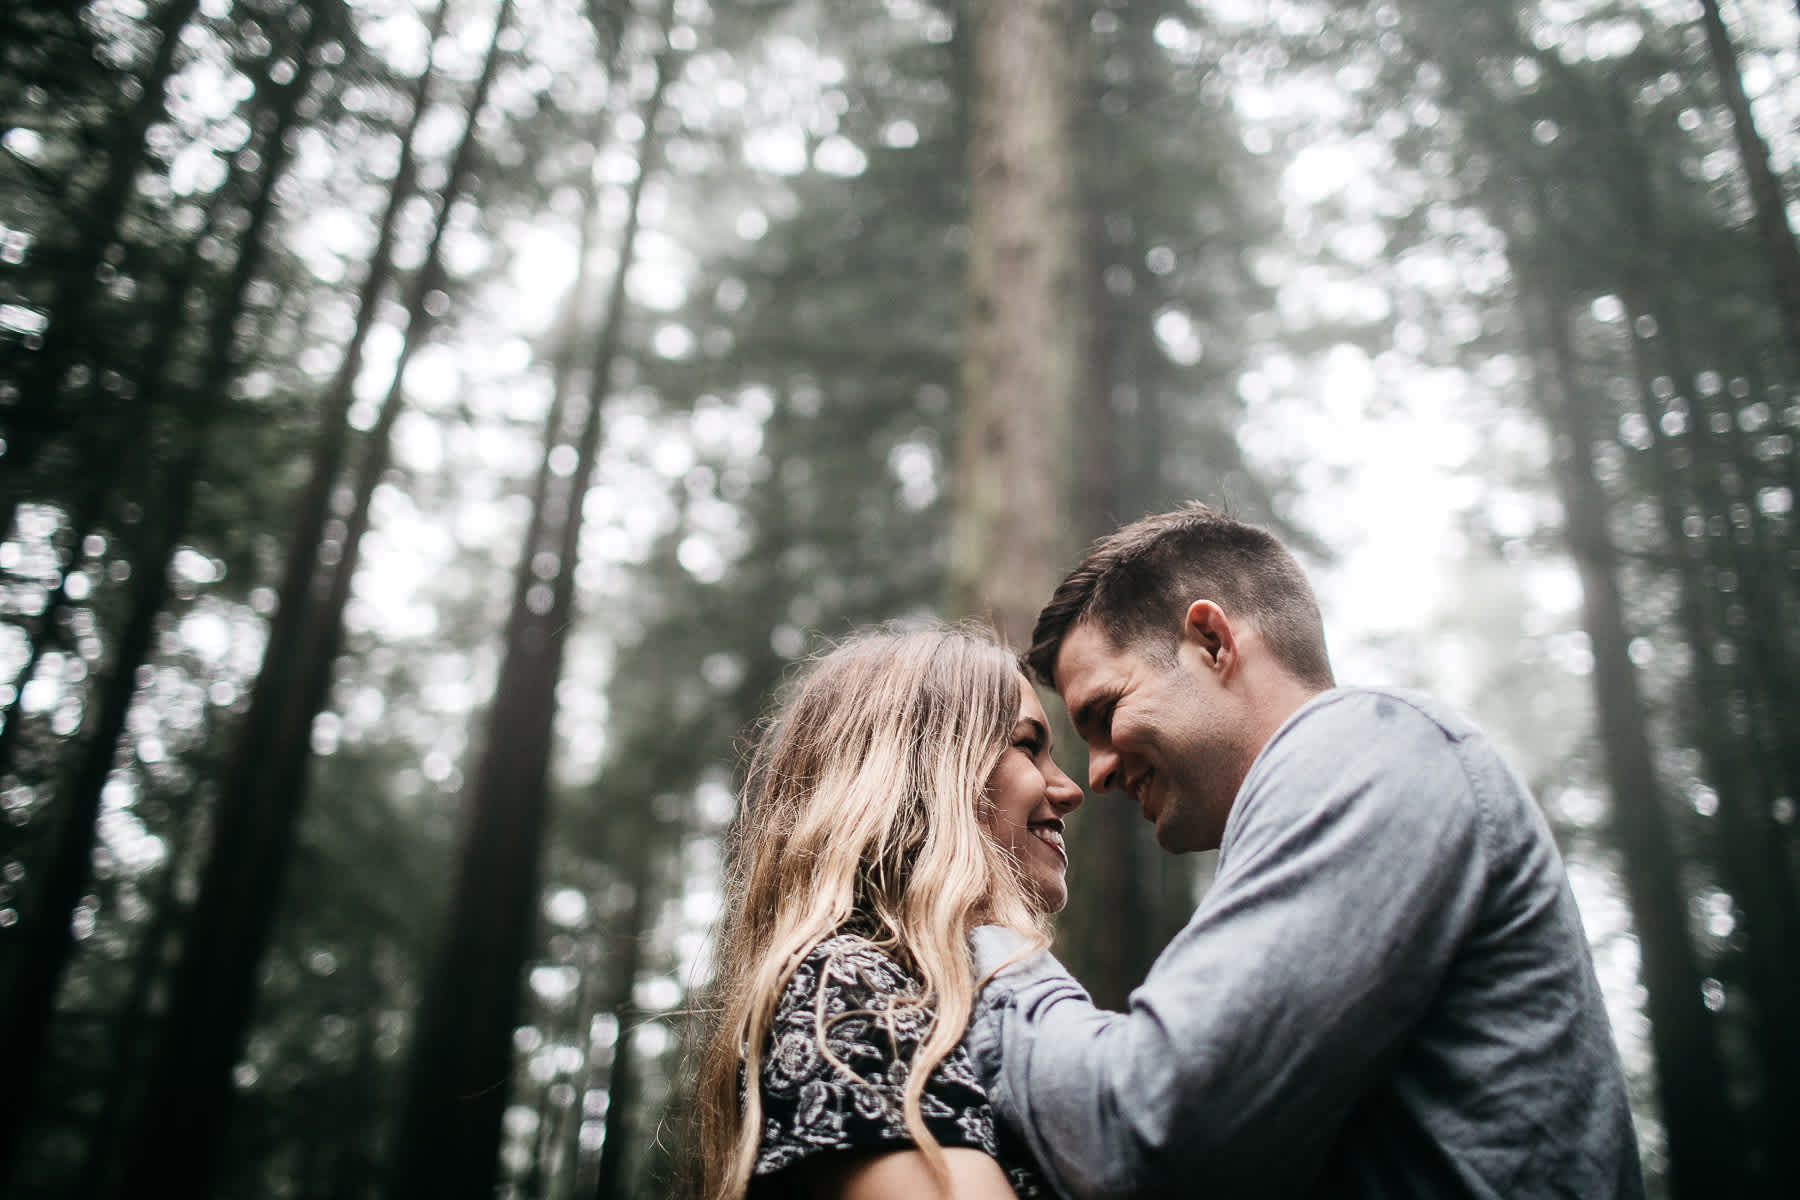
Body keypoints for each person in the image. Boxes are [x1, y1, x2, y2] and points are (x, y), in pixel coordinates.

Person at [965, 502, 1645, 1199]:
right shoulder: (1348, 786)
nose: (1098, 772)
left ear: (1211, 641)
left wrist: (990, 949)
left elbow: (1146, 1128)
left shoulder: (1368, 748)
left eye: (1105, 715)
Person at [691, 626, 1084, 1200]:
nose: (1069, 788)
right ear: (925, 769)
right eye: (1027, 746)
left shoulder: (951, 996)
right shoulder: (846, 985)